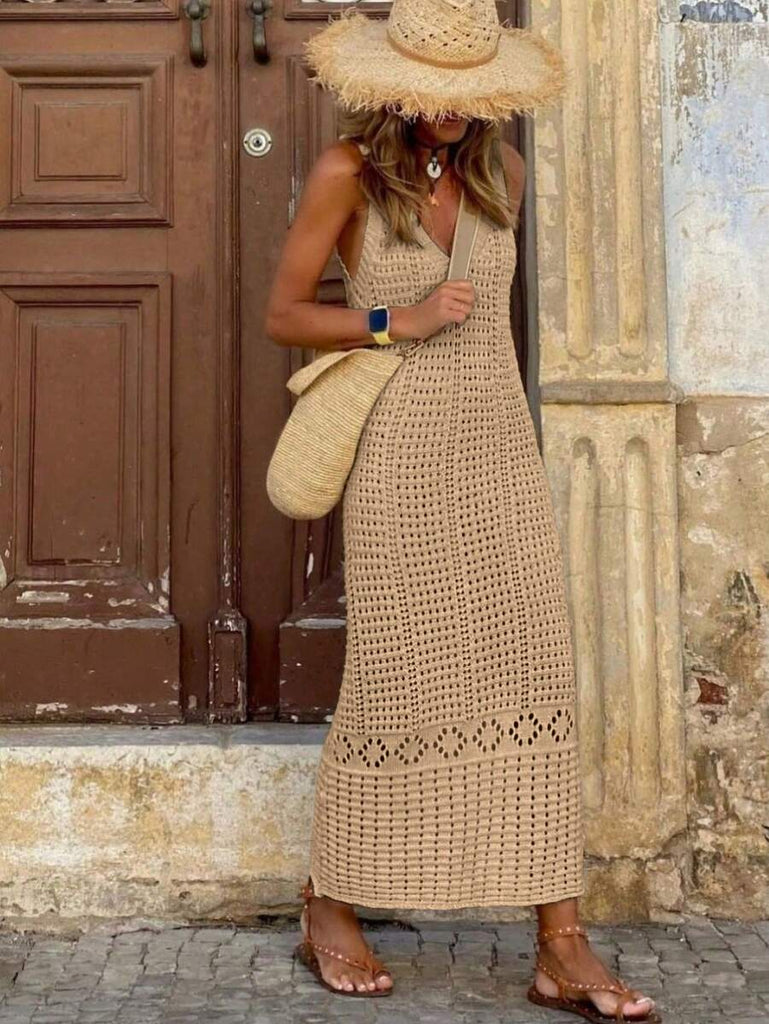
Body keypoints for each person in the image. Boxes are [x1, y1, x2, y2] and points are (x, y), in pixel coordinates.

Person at [265, 1, 660, 1021]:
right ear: (392, 89)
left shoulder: (503, 174)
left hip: (496, 447)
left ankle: (560, 943)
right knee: (395, 676)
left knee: (533, 669)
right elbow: (284, 314)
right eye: (432, 95)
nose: (448, 112)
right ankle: (329, 901)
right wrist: (394, 317)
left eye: (466, 97)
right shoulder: (346, 175)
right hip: (398, 451)